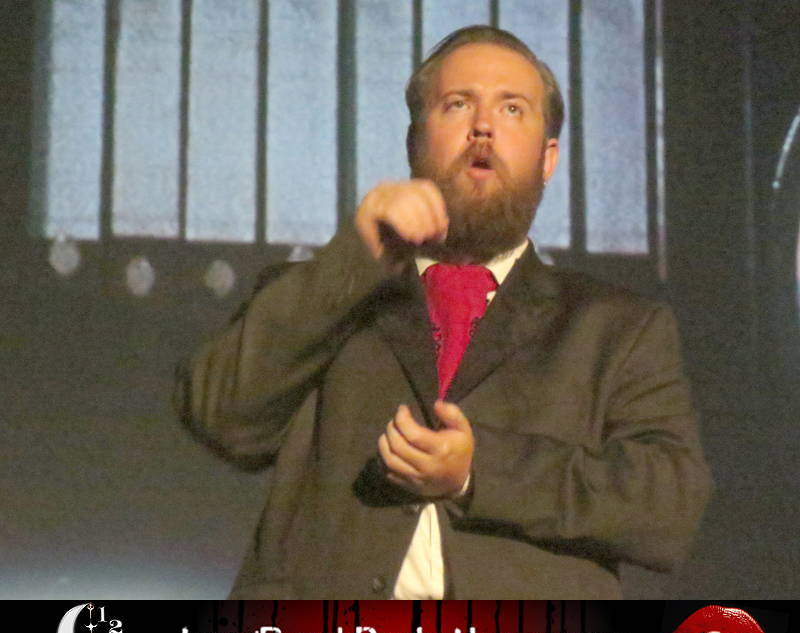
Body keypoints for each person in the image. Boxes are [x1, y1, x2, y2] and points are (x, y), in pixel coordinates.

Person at [174, 25, 712, 599]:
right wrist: (355, 258)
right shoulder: (324, 293)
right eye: (458, 104)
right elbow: (220, 417)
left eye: (512, 109)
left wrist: (480, 471)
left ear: (548, 158)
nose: (483, 126)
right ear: (414, 142)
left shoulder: (617, 327)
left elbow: (669, 505)